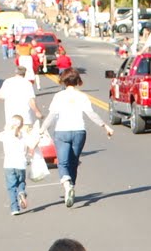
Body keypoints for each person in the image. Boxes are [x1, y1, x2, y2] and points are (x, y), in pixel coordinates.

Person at [40, 69, 113, 208]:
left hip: (62, 131)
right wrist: (105, 126)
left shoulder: (58, 96)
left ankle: (67, 185)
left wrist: (42, 129)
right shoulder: (82, 96)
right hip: (79, 131)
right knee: (73, 162)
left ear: (64, 80)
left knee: (63, 162)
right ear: (77, 81)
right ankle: (72, 185)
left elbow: (52, 115)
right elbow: (91, 114)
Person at [0, 114, 40, 215]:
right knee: (21, 182)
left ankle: (14, 208)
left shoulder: (6, 134)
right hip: (21, 164)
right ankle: (21, 192)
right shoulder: (24, 134)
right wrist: (38, 138)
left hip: (8, 164)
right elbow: (32, 145)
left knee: (11, 187)